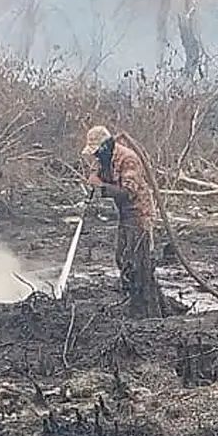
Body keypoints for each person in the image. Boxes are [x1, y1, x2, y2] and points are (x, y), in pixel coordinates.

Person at [81, 125, 165, 318]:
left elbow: (127, 192)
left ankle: (144, 309)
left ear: (105, 146)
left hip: (139, 215)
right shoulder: (105, 160)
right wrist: (95, 180)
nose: (95, 157)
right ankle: (131, 300)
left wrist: (101, 187)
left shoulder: (128, 160)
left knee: (137, 262)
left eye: (96, 152)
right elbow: (100, 177)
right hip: (124, 215)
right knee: (122, 258)